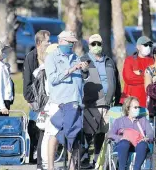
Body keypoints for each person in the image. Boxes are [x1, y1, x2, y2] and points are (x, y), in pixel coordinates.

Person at [44, 31, 88, 170]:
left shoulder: (75, 57)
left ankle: (72, 166)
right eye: (70, 42)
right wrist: (70, 69)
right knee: (54, 134)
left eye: (73, 42)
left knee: (73, 134)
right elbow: (53, 79)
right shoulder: (52, 58)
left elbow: (82, 78)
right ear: (61, 41)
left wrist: (84, 70)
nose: (72, 44)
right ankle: (50, 166)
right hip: (59, 103)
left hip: (75, 102)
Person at [80, 34, 121, 168]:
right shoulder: (84, 60)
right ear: (89, 45)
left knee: (102, 132)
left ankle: (97, 158)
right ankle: (84, 158)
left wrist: (117, 99)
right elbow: (79, 80)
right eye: (93, 44)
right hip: (91, 102)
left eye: (98, 44)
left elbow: (116, 80)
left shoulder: (109, 60)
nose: (96, 46)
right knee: (89, 132)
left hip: (107, 102)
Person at [23, 30, 51, 167]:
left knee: (44, 130)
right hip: (35, 100)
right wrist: (29, 99)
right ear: (39, 42)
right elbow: (27, 80)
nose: (49, 43)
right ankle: (31, 154)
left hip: (48, 100)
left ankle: (41, 160)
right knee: (34, 128)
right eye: (47, 41)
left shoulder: (50, 55)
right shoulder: (31, 57)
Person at [108, 96, 153, 170]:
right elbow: (110, 134)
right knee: (124, 143)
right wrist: (121, 138)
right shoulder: (119, 121)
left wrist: (146, 138)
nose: (138, 109)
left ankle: (136, 168)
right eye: (135, 107)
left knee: (143, 145)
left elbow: (151, 134)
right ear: (128, 108)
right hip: (123, 147)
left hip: (138, 146)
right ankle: (122, 168)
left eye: (139, 107)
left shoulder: (143, 120)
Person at [120, 36, 154, 107]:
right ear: (138, 47)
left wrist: (140, 74)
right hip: (131, 102)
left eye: (150, 45)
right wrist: (148, 78)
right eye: (145, 45)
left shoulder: (153, 61)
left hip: (148, 102)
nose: (148, 47)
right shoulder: (129, 60)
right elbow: (129, 79)